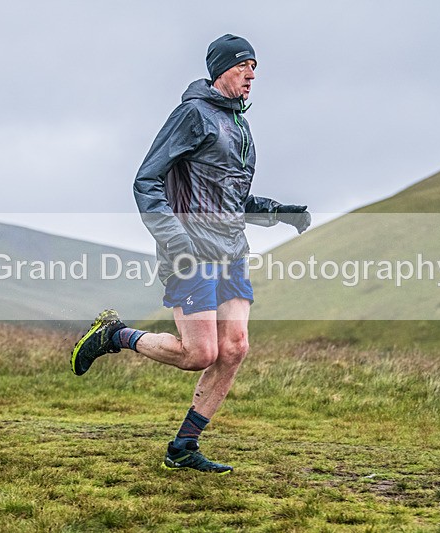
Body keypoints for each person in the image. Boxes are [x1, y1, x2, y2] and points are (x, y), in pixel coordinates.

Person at [71, 34, 311, 473]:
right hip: (190, 252)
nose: (253, 74)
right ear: (222, 69)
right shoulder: (192, 115)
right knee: (198, 354)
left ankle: (183, 448)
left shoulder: (240, 125)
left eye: (256, 67)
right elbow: (146, 180)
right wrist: (174, 240)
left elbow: (229, 197)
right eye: (245, 65)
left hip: (231, 252)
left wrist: (279, 212)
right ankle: (114, 335)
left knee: (234, 348)